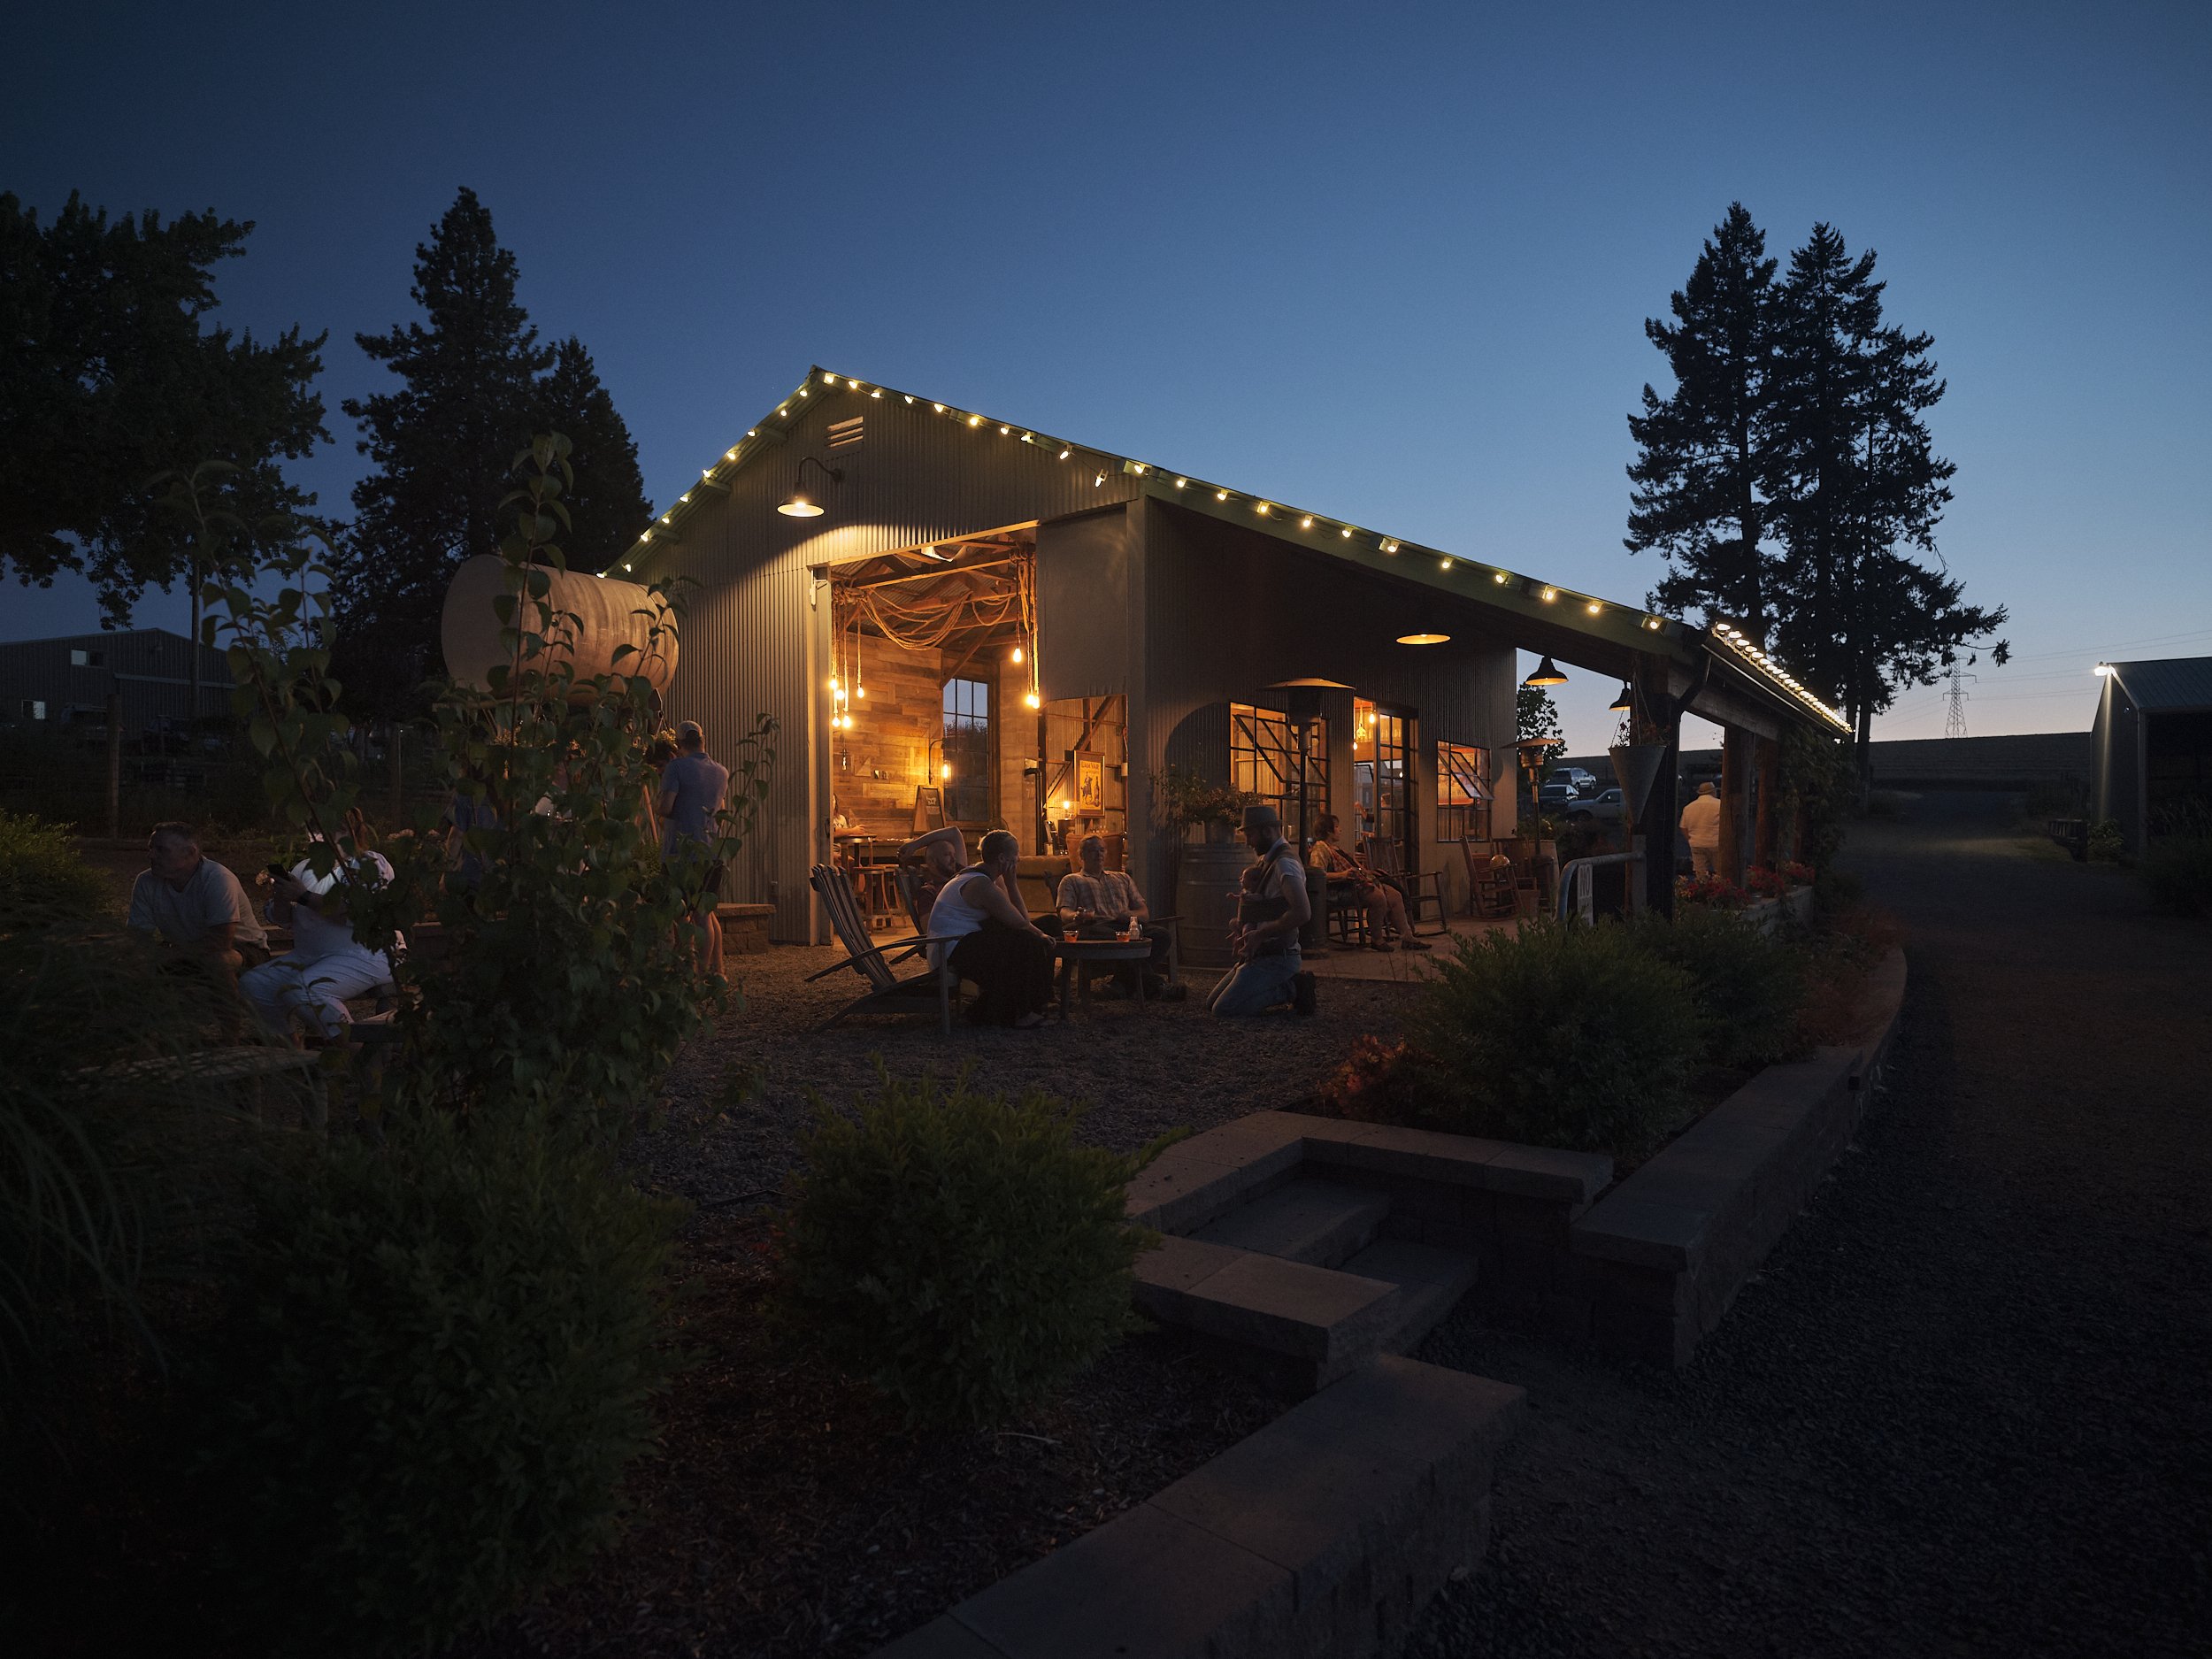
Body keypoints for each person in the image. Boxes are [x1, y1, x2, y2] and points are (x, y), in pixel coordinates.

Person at [242, 841, 399, 1045]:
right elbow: (283, 919)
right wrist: (282, 896)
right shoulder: (304, 867)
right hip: (311, 955)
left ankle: (357, 1053)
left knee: (305, 991)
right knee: (255, 984)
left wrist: (302, 896)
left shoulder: (369, 863)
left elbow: (354, 913)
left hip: (363, 954)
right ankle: (292, 1053)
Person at [127, 822, 269, 1009]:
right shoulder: (146, 881)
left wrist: (165, 955)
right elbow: (138, 936)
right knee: (130, 970)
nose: (151, 855)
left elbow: (220, 941)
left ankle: (230, 1033)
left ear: (190, 853)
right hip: (186, 952)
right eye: (151, 848)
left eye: (161, 850)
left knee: (218, 961)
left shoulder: (217, 879)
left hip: (244, 950)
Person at [927, 829, 1056, 1028]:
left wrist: (1042, 932)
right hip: (951, 948)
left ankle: (1038, 1001)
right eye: (1017, 854)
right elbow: (1020, 921)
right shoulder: (981, 885)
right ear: (1003, 858)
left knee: (1048, 924)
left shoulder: (981, 875)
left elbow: (1012, 918)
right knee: (1025, 941)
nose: (1019, 859)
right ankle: (1024, 1012)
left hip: (967, 940)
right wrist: (1012, 884)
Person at [1209, 804, 1317, 1018]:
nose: (1248, 842)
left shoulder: (1285, 864)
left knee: (1224, 1009)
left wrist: (1261, 933)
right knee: (1212, 1002)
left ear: (1267, 831)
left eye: (1250, 835)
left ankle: (1293, 988)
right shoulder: (1267, 859)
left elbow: (1303, 912)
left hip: (1278, 957)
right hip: (1261, 954)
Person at [1056, 833, 1185, 1001]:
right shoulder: (1071, 880)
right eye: (1093, 850)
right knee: (1120, 939)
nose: (1099, 854)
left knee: (1161, 935)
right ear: (1081, 856)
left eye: (1102, 850)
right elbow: (1063, 911)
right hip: (1096, 927)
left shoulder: (1122, 878)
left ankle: (1120, 985)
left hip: (1124, 924)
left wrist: (1130, 915)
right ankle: (1156, 986)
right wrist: (1076, 916)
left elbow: (1144, 913)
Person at [657, 720, 730, 978]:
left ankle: (686, 969)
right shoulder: (722, 772)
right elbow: (719, 810)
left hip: (679, 852)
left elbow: (666, 808)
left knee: (679, 913)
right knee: (704, 914)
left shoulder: (676, 768)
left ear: (679, 744)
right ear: (703, 739)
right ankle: (707, 973)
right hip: (711, 851)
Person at [1307, 813, 1430, 952]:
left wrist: (1369, 872)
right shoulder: (1320, 849)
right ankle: (1377, 939)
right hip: (1340, 889)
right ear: (1328, 831)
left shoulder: (1335, 848)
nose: (1340, 829)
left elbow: (1355, 868)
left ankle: (1408, 937)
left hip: (1356, 884)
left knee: (1395, 895)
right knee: (1378, 898)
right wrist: (1342, 875)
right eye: (1336, 826)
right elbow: (1317, 875)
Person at [901, 825, 1025, 922]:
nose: (953, 859)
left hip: (996, 922)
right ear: (932, 862)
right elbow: (929, 931)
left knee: (997, 879)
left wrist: (915, 844)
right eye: (946, 855)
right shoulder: (928, 892)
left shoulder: (962, 873)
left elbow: (954, 832)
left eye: (954, 854)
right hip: (966, 939)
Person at [1680, 780, 1723, 879]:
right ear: (1713, 792)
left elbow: (1683, 827)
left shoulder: (1689, 807)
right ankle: (1719, 892)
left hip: (1697, 844)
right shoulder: (1720, 805)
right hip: (1716, 843)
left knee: (1700, 875)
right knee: (1720, 874)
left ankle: (1701, 891)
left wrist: (1691, 840)